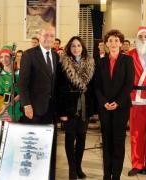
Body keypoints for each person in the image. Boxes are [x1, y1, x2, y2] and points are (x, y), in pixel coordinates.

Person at [19, 25, 58, 180]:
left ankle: (47, 175)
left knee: (47, 146)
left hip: (50, 111)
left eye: (52, 35)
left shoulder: (55, 55)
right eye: (45, 35)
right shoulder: (29, 55)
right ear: (40, 36)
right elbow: (22, 83)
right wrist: (26, 105)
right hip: (33, 110)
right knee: (33, 146)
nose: (48, 38)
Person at [94, 29, 135, 180]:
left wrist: (117, 102)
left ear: (121, 43)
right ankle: (107, 175)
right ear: (106, 44)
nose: (113, 43)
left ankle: (116, 176)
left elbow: (129, 84)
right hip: (104, 108)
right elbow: (96, 86)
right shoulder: (101, 61)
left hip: (121, 108)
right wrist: (104, 102)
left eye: (116, 41)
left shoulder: (127, 60)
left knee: (118, 143)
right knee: (106, 142)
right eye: (110, 41)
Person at [56, 36, 95, 179]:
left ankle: (78, 167)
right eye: (73, 46)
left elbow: (93, 88)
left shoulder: (90, 63)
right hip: (69, 108)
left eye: (78, 45)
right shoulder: (63, 63)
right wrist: (62, 112)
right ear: (69, 48)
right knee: (69, 138)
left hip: (85, 108)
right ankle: (72, 169)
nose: (76, 48)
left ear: (83, 47)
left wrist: (93, 109)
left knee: (82, 139)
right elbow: (58, 90)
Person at [128, 26, 146, 177]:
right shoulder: (129, 55)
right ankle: (137, 164)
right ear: (137, 38)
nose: (143, 39)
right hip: (136, 100)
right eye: (141, 36)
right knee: (136, 134)